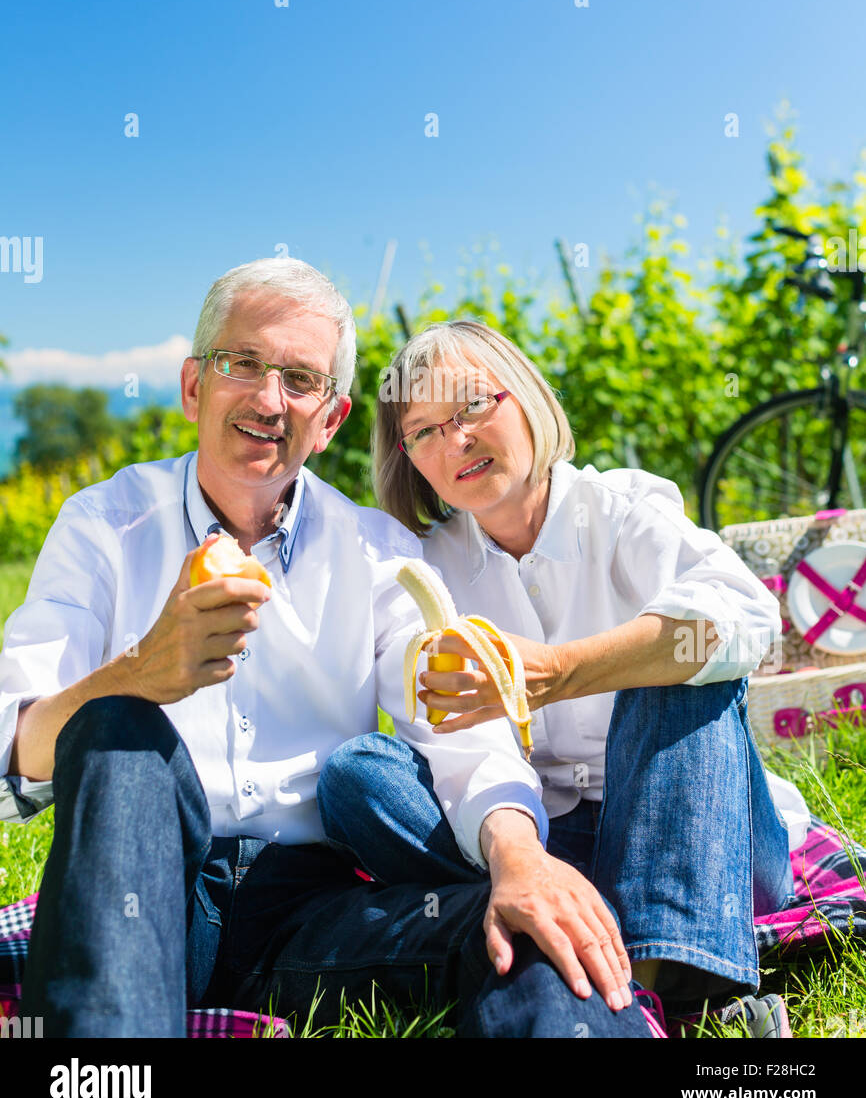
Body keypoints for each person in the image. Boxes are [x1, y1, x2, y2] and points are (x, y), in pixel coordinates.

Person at [0, 262, 649, 1038]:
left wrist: (518, 855)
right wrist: (141, 674)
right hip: (146, 891)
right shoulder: (104, 523)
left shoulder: (377, 552)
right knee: (119, 729)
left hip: (314, 914)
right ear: (193, 386)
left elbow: (457, 725)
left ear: (332, 418)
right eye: (242, 363)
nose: (269, 400)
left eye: (300, 379)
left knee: (533, 925)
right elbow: (18, 746)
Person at [320, 318, 806, 1025]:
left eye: (472, 407)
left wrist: (557, 671)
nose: (455, 441)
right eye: (424, 430)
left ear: (526, 398)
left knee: (675, 669)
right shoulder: (427, 570)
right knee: (359, 773)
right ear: (409, 458)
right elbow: (445, 733)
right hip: (544, 841)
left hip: (696, 829)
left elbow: (748, 619)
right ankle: (572, 914)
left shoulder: (620, 508)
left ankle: (680, 982)